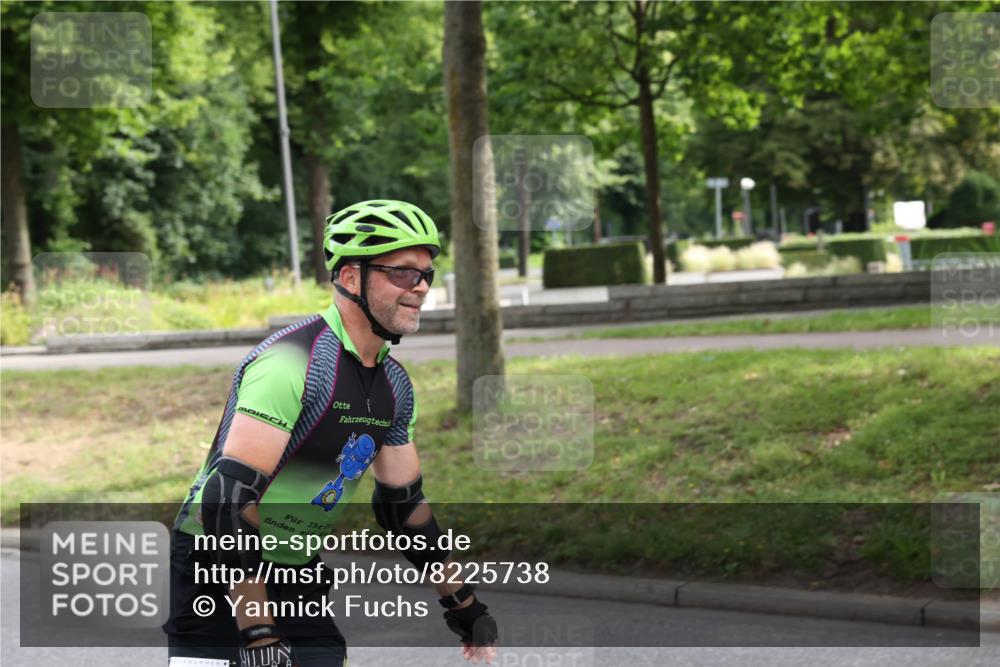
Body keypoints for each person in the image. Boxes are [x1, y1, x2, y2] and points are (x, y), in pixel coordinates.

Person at [163, 200, 499, 666]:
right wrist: (259, 633)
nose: (420, 287)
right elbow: (229, 499)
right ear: (349, 278)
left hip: (295, 572)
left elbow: (404, 507)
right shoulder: (292, 362)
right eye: (402, 272)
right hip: (218, 570)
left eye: (426, 274)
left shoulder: (394, 386)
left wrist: (464, 605)